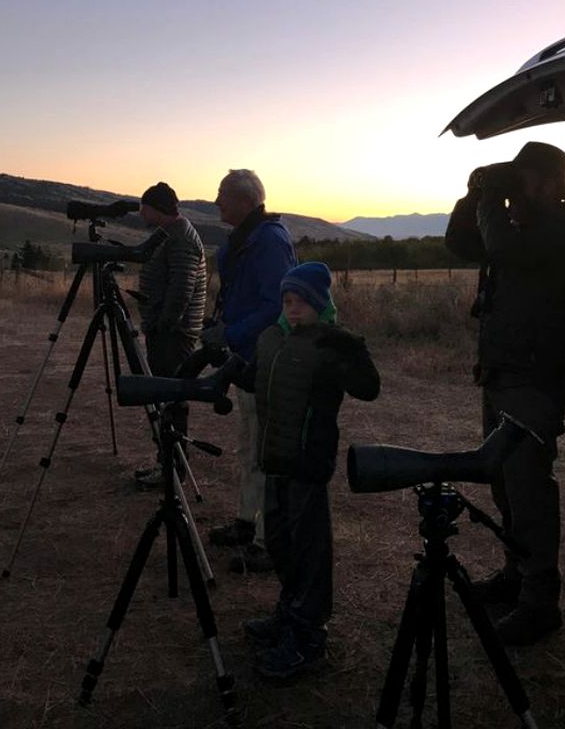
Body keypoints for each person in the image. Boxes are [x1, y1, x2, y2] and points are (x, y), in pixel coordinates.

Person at [444, 141, 565, 645]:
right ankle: (515, 575)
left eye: (522, 179)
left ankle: (540, 602)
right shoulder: (523, 229)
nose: (515, 189)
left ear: (550, 183)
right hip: (501, 370)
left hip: (534, 379)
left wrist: (493, 195)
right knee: (503, 481)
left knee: (530, 488)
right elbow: (461, 244)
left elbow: (502, 250)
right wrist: (474, 196)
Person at [240, 262, 380, 679]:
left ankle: (307, 636)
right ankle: (289, 611)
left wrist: (352, 348)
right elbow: (253, 380)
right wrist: (224, 359)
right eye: (287, 301)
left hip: (307, 465)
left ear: (319, 304)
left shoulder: (329, 345)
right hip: (274, 464)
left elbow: (369, 388)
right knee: (281, 543)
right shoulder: (272, 339)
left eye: (301, 302)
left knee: (310, 549)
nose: (293, 309)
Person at [202, 169, 297, 572]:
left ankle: (265, 541)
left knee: (264, 449)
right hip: (246, 355)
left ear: (244, 201)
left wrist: (231, 333)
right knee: (248, 445)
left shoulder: (268, 242)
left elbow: (278, 306)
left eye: (223, 194)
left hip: (264, 357)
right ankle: (246, 521)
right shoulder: (247, 239)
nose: (217, 201)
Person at [132, 181, 208, 487]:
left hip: (174, 334)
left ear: (156, 208)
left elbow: (181, 288)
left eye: (144, 207)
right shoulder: (171, 234)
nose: (141, 213)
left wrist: (164, 323)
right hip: (167, 330)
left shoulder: (180, 238)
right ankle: (167, 464)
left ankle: (172, 468)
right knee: (165, 397)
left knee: (171, 397)